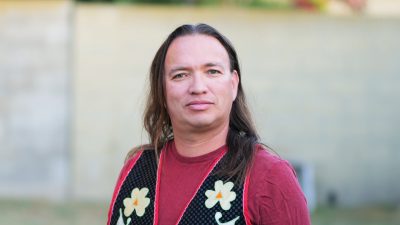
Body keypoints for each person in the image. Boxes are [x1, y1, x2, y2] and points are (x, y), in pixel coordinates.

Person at [107, 23, 311, 225]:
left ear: (233, 84)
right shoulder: (135, 170)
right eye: (180, 75)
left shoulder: (269, 177)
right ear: (162, 90)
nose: (198, 87)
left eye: (212, 71)